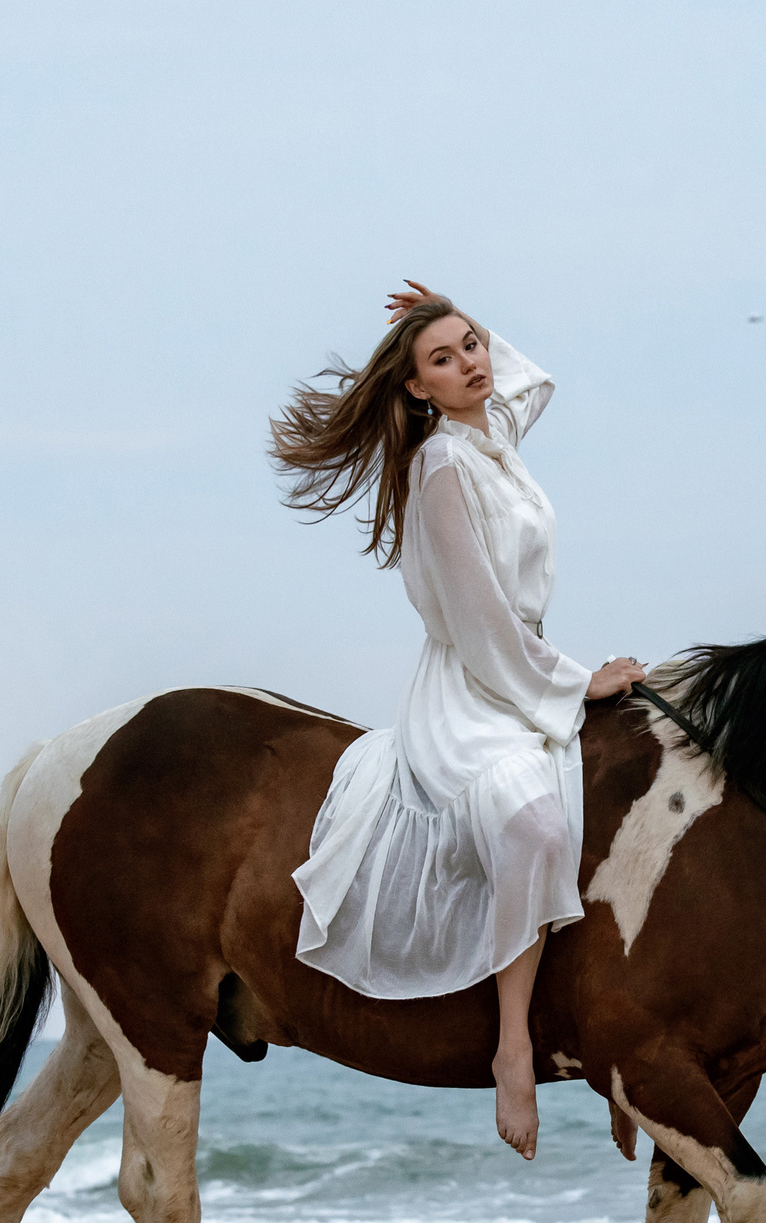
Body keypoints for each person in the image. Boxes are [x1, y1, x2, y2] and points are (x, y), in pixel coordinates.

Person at [270, 282, 645, 1159]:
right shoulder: (441, 468)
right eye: (443, 360)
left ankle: (623, 1034)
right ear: (416, 389)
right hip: (473, 690)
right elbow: (480, 624)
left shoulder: (493, 438)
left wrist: (455, 308)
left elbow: (531, 382)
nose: (472, 364)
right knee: (534, 825)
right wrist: (578, 684)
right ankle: (513, 1049)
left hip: (523, 666)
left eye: (472, 346)